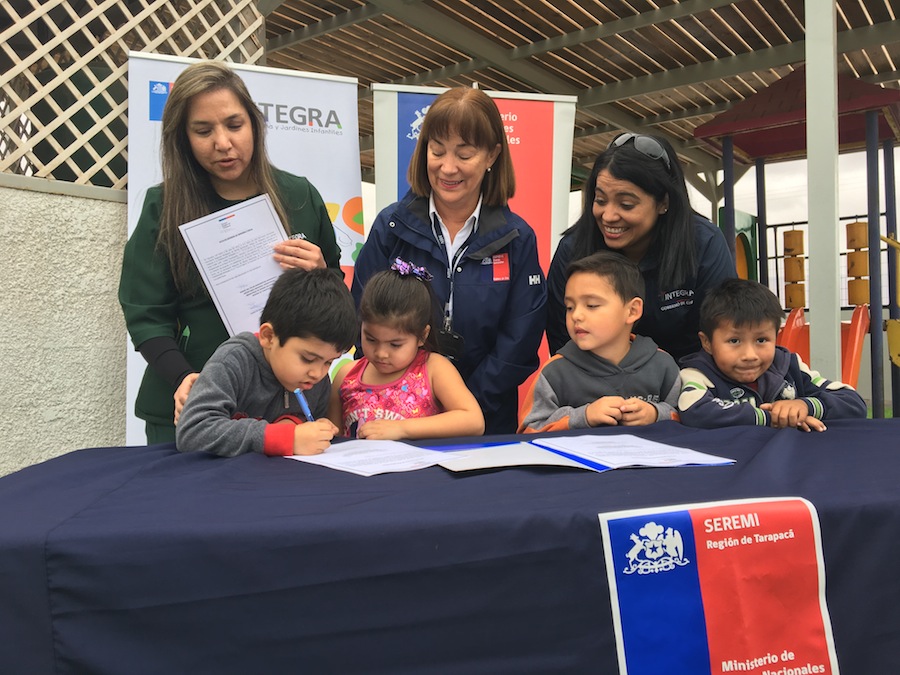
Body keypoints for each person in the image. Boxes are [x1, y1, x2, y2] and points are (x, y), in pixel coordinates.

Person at [119, 60, 342, 444]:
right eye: (203, 131)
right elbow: (145, 313)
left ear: (255, 123)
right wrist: (182, 376)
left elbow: (336, 294)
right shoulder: (164, 205)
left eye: (234, 125)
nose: (222, 143)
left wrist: (321, 271)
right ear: (183, 138)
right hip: (190, 407)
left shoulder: (299, 196)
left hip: (283, 408)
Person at [352, 86, 546, 435]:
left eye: (465, 153)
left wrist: (461, 407)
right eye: (437, 151)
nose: (448, 167)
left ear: (492, 156)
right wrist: (415, 402)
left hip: (486, 422)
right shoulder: (391, 228)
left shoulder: (517, 239)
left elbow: (519, 340)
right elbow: (362, 320)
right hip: (397, 420)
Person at [547, 132, 736, 362]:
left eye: (626, 204)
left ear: (663, 203)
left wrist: (669, 389)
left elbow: (721, 334)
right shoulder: (573, 249)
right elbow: (561, 338)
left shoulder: (703, 243)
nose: (608, 216)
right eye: (600, 200)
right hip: (595, 389)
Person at [175, 268, 357, 457]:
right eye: (308, 359)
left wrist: (315, 431)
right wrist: (282, 436)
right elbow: (192, 431)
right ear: (269, 337)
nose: (318, 373)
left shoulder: (316, 382)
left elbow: (305, 437)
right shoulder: (234, 361)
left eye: (329, 362)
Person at [519, 251, 680, 433]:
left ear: (632, 311)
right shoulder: (554, 373)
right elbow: (529, 431)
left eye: (592, 305)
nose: (576, 316)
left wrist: (656, 414)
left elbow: (689, 417)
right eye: (570, 307)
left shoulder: (663, 365)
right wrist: (583, 416)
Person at [678, 278, 867, 430]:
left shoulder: (789, 366)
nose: (750, 355)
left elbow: (853, 402)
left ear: (776, 337)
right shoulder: (697, 373)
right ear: (707, 343)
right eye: (734, 341)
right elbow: (695, 412)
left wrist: (804, 407)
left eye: (761, 340)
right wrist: (772, 417)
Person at [328, 259, 485, 440]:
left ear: (422, 336)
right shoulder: (347, 376)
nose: (381, 353)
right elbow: (336, 439)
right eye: (371, 339)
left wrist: (402, 429)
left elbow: (473, 421)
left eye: (395, 344)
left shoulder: (434, 368)